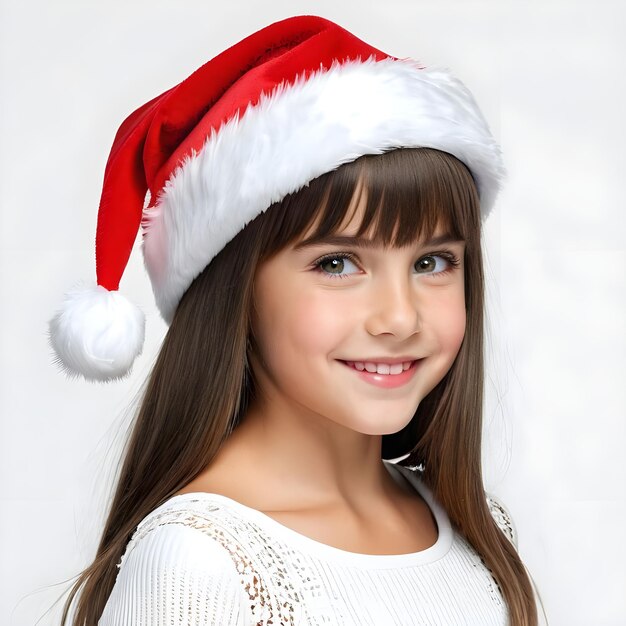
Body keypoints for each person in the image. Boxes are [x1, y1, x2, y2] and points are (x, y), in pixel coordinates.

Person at [48, 14, 544, 626]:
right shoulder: (200, 565)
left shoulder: (477, 530)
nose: (399, 316)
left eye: (433, 261)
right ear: (238, 296)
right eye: (337, 263)